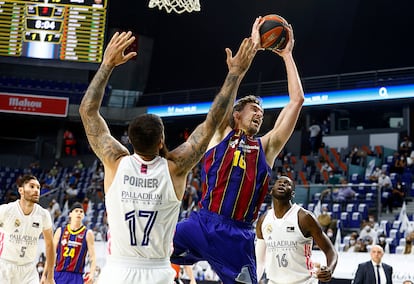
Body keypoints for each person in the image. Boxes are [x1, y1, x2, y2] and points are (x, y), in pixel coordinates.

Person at [79, 30, 258, 284]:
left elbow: (87, 111)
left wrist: (107, 64)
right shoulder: (175, 168)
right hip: (157, 273)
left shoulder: (115, 162)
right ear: (162, 141)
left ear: (129, 141)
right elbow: (212, 122)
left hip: (117, 272)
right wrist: (235, 73)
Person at [171, 16, 305, 284]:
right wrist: (249, 54)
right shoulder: (220, 132)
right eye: (254, 110)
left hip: (238, 235)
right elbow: (224, 101)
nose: (259, 114)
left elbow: (296, 101)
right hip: (202, 223)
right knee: (149, 246)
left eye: (262, 112)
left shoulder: (265, 146)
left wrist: (287, 55)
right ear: (236, 114)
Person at [255, 176, 338, 283]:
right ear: (271, 191)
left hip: (304, 281)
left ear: (293, 194)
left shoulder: (304, 217)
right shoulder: (263, 220)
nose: (282, 184)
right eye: (279, 182)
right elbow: (260, 261)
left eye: (287, 183)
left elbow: (330, 250)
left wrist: (330, 269)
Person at [0, 174, 55, 283]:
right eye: (32, 186)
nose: (36, 190)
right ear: (21, 190)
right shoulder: (6, 210)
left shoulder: (44, 215)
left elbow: (50, 245)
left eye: (38, 187)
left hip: (28, 269)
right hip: (5, 267)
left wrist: (50, 276)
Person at [53, 202, 96, 284]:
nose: (79, 213)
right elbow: (51, 254)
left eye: (81, 211)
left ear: (83, 216)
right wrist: (46, 273)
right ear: (70, 214)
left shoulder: (87, 233)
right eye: (76, 211)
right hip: (59, 273)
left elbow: (92, 257)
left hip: (76, 276)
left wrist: (92, 273)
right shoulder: (60, 231)